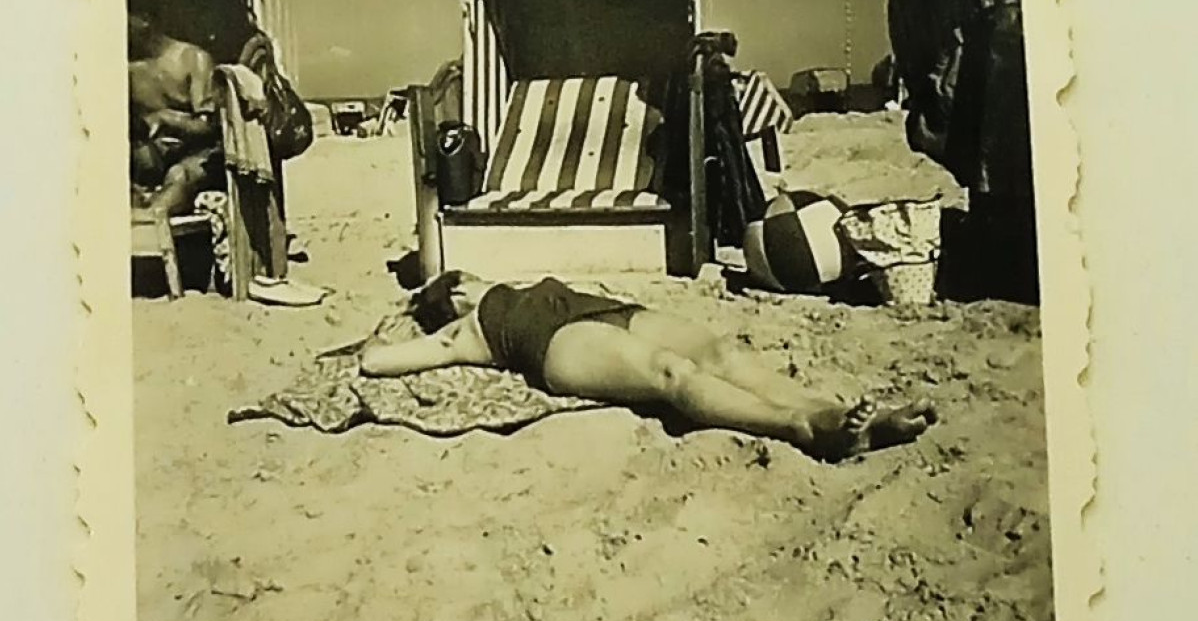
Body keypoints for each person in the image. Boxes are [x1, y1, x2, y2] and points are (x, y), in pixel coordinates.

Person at [359, 272, 937, 462]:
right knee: (671, 375)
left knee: (719, 352)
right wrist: (392, 333)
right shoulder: (462, 331)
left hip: (610, 310)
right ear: (451, 296)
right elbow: (378, 362)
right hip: (560, 343)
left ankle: (831, 410)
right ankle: (804, 430)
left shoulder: (506, 281)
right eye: (454, 283)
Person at [127, 13, 222, 218]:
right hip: (151, 159)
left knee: (179, 175)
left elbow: (210, 126)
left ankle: (149, 225)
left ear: (145, 19)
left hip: (198, 155)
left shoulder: (192, 58)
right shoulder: (127, 69)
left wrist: (167, 119)